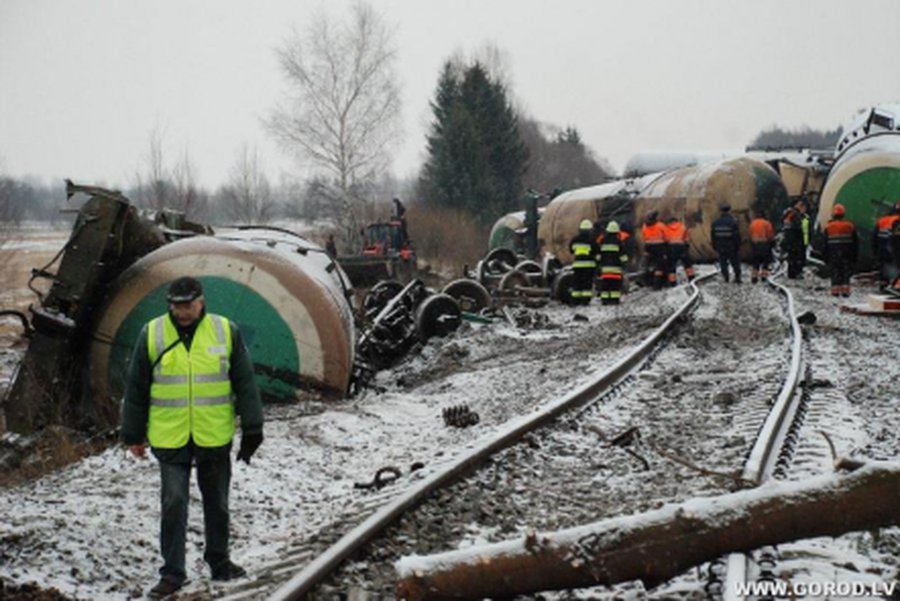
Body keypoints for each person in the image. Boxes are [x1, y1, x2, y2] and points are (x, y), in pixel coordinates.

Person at [121, 276, 264, 599]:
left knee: (218, 503)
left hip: (212, 433)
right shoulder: (153, 333)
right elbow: (136, 388)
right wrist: (133, 434)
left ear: (201, 302)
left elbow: (244, 382)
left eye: (187, 305)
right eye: (176, 306)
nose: (182, 312)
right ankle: (172, 573)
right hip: (170, 435)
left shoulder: (225, 331)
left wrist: (253, 427)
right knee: (173, 503)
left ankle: (219, 560)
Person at [823, 204, 859, 297]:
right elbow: (855, 242)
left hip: (833, 252)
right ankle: (845, 291)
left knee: (835, 270)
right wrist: (854, 255)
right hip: (847, 252)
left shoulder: (829, 227)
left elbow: (824, 243)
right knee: (845, 271)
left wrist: (825, 256)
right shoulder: (849, 226)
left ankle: (835, 291)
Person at [595, 221, 629, 305]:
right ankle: (614, 300)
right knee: (615, 286)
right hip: (616, 269)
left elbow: (598, 255)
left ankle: (605, 300)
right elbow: (623, 256)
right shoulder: (618, 242)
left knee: (605, 286)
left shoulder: (603, 240)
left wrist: (598, 264)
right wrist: (625, 264)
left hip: (605, 269)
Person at [569, 219, 597, 304]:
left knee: (577, 283)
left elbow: (571, 250)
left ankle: (575, 301)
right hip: (589, 266)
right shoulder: (591, 240)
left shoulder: (575, 240)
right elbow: (596, 250)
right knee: (586, 284)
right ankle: (585, 301)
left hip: (577, 265)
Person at [711, 203, 741, 283]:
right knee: (735, 262)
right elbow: (736, 235)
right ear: (729, 210)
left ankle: (726, 277)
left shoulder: (715, 223)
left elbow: (713, 236)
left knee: (723, 263)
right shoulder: (733, 222)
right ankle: (737, 277)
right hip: (731, 246)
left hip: (720, 246)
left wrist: (715, 245)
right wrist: (737, 245)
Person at [873, 201, 900, 287]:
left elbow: (874, 237)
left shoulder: (882, 220)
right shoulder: (898, 220)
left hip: (882, 248)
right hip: (894, 248)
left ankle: (883, 285)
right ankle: (895, 284)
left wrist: (875, 251)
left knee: (883, 268)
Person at [663, 216, 695, 285]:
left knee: (671, 265)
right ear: (677, 221)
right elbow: (686, 238)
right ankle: (691, 278)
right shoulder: (682, 227)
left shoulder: (666, 228)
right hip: (681, 246)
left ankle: (672, 282)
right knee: (687, 263)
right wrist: (686, 246)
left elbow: (665, 239)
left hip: (671, 247)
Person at [640, 211, 667, 289]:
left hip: (648, 246)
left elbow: (644, 235)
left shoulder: (644, 226)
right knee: (659, 266)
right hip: (659, 247)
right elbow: (666, 236)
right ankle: (657, 284)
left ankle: (645, 280)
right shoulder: (660, 225)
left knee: (647, 264)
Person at [781, 201, 808, 278]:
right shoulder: (796, 214)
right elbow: (799, 227)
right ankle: (795, 273)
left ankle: (792, 273)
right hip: (795, 239)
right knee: (797, 257)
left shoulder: (788, 213)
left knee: (792, 257)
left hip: (790, 239)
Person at [748, 212, 775, 283]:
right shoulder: (767, 223)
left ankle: (754, 276)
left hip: (755, 244)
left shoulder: (752, 223)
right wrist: (771, 242)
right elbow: (770, 234)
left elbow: (750, 233)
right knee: (765, 261)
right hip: (764, 244)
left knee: (755, 261)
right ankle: (764, 276)